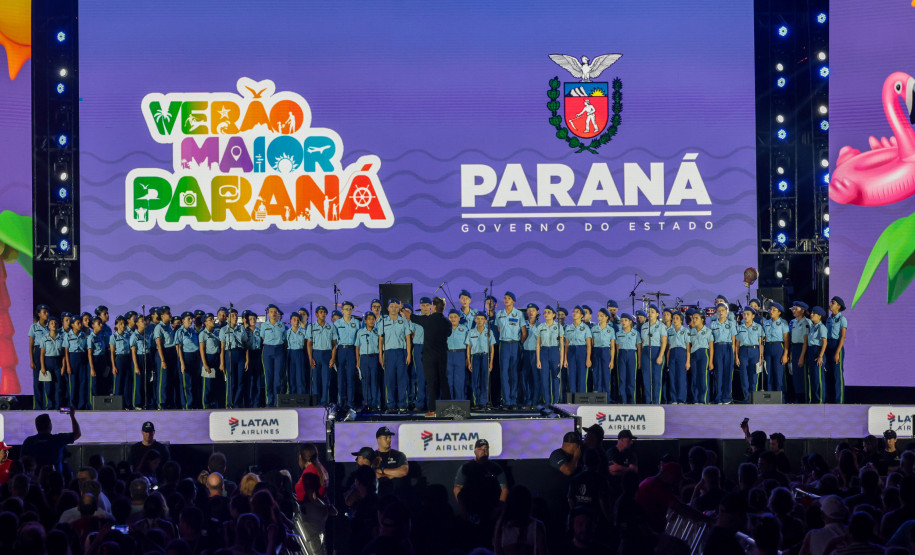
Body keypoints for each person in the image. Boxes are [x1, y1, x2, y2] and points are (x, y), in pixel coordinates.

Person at [411, 296, 451, 416]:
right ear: (443, 308)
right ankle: (448, 408)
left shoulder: (428, 320)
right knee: (443, 380)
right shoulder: (447, 322)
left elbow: (411, 317)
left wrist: (402, 309)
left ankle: (432, 409)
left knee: (432, 382)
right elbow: (448, 333)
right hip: (442, 355)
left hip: (429, 356)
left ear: (433, 307)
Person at [493, 485, 547, 555]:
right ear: (528, 503)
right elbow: (543, 552)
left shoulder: (502, 525)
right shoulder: (536, 525)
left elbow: (497, 551)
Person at [379, 299, 412, 413]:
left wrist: (408, 354)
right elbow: (380, 340)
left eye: (396, 306)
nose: (393, 308)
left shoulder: (403, 321)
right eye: (391, 306)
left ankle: (403, 404)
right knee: (390, 380)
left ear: (399, 308)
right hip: (388, 353)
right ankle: (391, 405)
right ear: (388, 308)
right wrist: (380, 355)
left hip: (401, 352)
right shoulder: (383, 322)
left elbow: (408, 338)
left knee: (402, 380)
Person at [495, 292, 525, 408]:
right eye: (505, 298)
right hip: (504, 345)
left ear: (513, 301)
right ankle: (506, 400)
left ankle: (514, 400)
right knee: (504, 373)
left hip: (515, 345)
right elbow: (499, 329)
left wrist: (518, 343)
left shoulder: (518, 314)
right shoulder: (500, 314)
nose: (506, 300)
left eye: (509, 298)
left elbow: (524, 332)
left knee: (514, 374)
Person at [454, 439, 508, 503]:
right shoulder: (465, 467)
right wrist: (463, 507)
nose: (483, 451)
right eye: (480, 449)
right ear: (475, 451)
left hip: (492, 507)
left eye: (486, 448)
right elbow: (457, 488)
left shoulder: (496, 468)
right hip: (471, 507)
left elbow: (504, 489)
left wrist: (500, 506)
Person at [298, 472, 337, 555]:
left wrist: (326, 506)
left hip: (319, 539)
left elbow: (334, 512)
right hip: (312, 540)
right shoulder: (308, 502)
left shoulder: (319, 501)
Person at [219, 308, 248, 409]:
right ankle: (229, 403)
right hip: (229, 354)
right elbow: (222, 347)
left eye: (236, 315)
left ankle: (236, 403)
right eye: (232, 316)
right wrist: (222, 363)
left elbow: (246, 345)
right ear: (227, 318)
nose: (235, 317)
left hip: (240, 355)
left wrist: (247, 360)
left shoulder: (241, 329)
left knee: (241, 381)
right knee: (231, 381)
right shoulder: (223, 330)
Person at [259, 305, 287, 408]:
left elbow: (284, 338)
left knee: (278, 378)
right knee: (269, 377)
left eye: (276, 311)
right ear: (268, 313)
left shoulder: (282, 325)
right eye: (272, 312)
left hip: (279, 350)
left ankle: (277, 401)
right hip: (268, 350)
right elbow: (262, 337)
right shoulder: (264, 325)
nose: (274, 313)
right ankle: (269, 402)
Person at [535, 306, 564, 404]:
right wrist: (538, 360)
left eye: (548, 312)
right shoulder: (540, 327)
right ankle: (547, 403)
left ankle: (555, 403)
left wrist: (561, 359)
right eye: (545, 313)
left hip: (555, 352)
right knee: (544, 379)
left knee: (556, 379)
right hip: (544, 353)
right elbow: (538, 344)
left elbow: (561, 345)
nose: (546, 314)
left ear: (554, 315)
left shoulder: (559, 327)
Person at [467, 312, 496, 409]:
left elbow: (492, 348)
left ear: (485, 320)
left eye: (481, 319)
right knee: (475, 380)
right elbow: (468, 347)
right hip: (475, 357)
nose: (479, 321)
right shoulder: (471, 332)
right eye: (478, 318)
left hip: (485, 357)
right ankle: (476, 402)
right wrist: (469, 361)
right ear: (475, 320)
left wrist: (491, 362)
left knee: (484, 380)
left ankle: (483, 402)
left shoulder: (489, 332)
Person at [709, 302, 736, 404]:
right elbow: (711, 340)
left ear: (726, 312)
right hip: (718, 348)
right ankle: (718, 397)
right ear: (716, 312)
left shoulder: (731, 324)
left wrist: (733, 353)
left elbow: (733, 339)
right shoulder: (712, 324)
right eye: (719, 311)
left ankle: (727, 397)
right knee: (718, 373)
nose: (721, 312)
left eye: (723, 310)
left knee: (728, 373)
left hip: (728, 347)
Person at [334, 301, 359, 408]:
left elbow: (358, 340)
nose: (348, 311)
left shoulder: (357, 323)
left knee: (350, 377)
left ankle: (350, 402)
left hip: (351, 351)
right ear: (342, 311)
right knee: (340, 378)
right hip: (341, 350)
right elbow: (334, 341)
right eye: (346, 309)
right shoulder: (337, 323)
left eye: (350, 309)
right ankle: (341, 401)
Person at [640, 304, 667, 404]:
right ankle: (648, 401)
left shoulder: (661, 326)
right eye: (649, 312)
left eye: (652, 312)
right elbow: (642, 341)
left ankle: (656, 402)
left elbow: (664, 342)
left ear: (657, 314)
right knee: (646, 378)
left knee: (656, 379)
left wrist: (660, 355)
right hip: (646, 351)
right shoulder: (644, 326)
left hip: (657, 351)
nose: (650, 314)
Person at [735, 307, 763, 403]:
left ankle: (753, 397)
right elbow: (737, 344)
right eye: (744, 314)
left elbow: (760, 343)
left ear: (753, 316)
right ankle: (746, 397)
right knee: (744, 376)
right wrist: (736, 357)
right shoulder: (739, 328)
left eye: (748, 314)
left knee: (754, 375)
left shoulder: (758, 327)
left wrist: (760, 357)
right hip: (743, 352)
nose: (745, 316)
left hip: (754, 351)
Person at [356, 311, 382, 412]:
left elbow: (380, 346)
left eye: (373, 319)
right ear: (365, 321)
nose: (371, 321)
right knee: (365, 382)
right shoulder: (360, 332)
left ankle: (375, 403)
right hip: (364, 358)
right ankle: (367, 403)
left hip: (374, 358)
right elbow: (357, 347)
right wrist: (358, 360)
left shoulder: (377, 332)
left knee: (374, 381)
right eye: (369, 319)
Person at [63, 315, 90, 411]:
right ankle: (72, 405)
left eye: (80, 323)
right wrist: (68, 365)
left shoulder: (83, 335)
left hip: (82, 357)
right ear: (72, 325)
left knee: (83, 383)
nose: (80, 325)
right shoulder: (68, 335)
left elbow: (87, 348)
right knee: (73, 384)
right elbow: (66, 351)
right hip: (72, 358)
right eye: (77, 323)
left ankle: (81, 405)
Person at [153, 306, 178, 409]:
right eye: (168, 313)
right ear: (162, 316)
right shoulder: (159, 327)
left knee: (171, 380)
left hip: (172, 353)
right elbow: (159, 345)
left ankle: (170, 402)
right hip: (163, 353)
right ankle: (161, 403)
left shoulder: (169, 327)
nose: (170, 315)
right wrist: (163, 360)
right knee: (163, 380)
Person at [564, 306, 593, 395]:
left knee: (582, 376)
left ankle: (581, 399)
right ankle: (573, 398)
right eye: (573, 311)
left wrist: (588, 359)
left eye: (577, 312)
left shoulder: (585, 328)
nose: (574, 313)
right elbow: (567, 345)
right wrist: (565, 359)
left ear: (581, 315)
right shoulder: (568, 327)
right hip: (571, 351)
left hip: (582, 351)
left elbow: (589, 345)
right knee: (572, 376)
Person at [763, 302, 790, 396]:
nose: (771, 311)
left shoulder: (783, 323)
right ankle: (770, 397)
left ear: (779, 312)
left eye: (774, 310)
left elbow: (786, 340)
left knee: (778, 374)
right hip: (768, 348)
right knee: (769, 373)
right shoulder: (766, 323)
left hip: (778, 347)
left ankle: (780, 397)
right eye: (770, 309)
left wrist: (785, 354)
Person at [825, 296, 848, 404]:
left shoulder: (842, 319)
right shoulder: (829, 319)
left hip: (836, 345)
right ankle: (830, 399)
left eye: (833, 303)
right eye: (831, 302)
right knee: (828, 374)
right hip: (828, 346)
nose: (830, 304)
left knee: (837, 375)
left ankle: (839, 401)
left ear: (838, 306)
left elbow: (843, 336)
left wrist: (837, 352)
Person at [373, 426, 409, 496]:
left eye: (390, 437)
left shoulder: (399, 455)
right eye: (385, 438)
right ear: (378, 440)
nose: (389, 440)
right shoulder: (373, 455)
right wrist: (394, 474)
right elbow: (374, 476)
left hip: (398, 496)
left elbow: (404, 471)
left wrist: (381, 470)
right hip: (378, 496)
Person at [39, 317, 65, 409]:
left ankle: (58, 406)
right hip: (48, 363)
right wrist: (42, 367)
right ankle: (49, 406)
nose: (54, 324)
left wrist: (63, 366)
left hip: (58, 363)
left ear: (58, 326)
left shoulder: (61, 337)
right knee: (48, 388)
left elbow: (63, 354)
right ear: (49, 326)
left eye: (55, 323)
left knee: (58, 387)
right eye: (52, 323)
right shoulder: (44, 338)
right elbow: (42, 354)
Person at [29, 304, 51, 409]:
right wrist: (32, 360)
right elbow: (31, 345)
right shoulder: (34, 327)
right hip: (37, 352)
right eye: (44, 312)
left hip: (48, 352)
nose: (47, 314)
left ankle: (49, 405)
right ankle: (38, 406)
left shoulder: (51, 326)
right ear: (39, 314)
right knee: (37, 382)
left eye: (47, 312)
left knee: (48, 380)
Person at [109, 315, 134, 409]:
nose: (123, 326)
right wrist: (113, 366)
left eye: (124, 323)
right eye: (121, 324)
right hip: (119, 359)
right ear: (116, 325)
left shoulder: (128, 335)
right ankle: (117, 405)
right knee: (118, 382)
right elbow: (112, 353)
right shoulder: (113, 337)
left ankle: (127, 404)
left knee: (128, 382)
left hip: (128, 358)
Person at [615, 314, 640, 404]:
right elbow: (617, 348)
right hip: (621, 355)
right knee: (622, 379)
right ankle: (623, 401)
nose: (623, 322)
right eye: (622, 320)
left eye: (625, 320)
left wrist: (639, 361)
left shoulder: (636, 333)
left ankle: (631, 401)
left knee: (631, 379)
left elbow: (639, 347)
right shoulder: (618, 334)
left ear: (630, 322)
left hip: (632, 355)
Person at [446, 309, 470, 402]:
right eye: (451, 317)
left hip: (460, 355)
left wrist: (468, 358)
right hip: (448, 354)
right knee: (449, 380)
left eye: (455, 317)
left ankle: (460, 402)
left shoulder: (464, 329)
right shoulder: (444, 328)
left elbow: (468, 345)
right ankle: (448, 402)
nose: (453, 319)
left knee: (459, 380)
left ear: (459, 318)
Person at [789, 301, 810, 404]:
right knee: (796, 375)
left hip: (803, 349)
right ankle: (797, 397)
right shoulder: (793, 322)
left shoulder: (806, 322)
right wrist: (792, 353)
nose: (793, 310)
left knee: (803, 375)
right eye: (793, 309)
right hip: (795, 348)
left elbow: (806, 341)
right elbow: (793, 339)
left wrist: (802, 356)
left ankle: (804, 398)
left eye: (796, 309)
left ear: (802, 310)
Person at [807, 306, 828, 404]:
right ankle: (813, 399)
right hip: (811, 350)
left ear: (819, 316)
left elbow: (824, 342)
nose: (811, 315)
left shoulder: (821, 327)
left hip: (818, 351)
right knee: (812, 377)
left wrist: (820, 356)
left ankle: (820, 400)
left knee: (818, 378)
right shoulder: (812, 326)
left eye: (814, 314)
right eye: (811, 313)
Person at [284, 312, 309, 398]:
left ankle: (301, 397)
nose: (296, 321)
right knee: (291, 375)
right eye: (294, 319)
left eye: (298, 320)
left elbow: (307, 342)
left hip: (299, 353)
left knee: (300, 375)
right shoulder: (287, 332)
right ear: (290, 321)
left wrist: (303, 326)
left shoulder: (303, 331)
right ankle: (292, 396)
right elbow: (285, 343)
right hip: (290, 353)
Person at [665, 311, 687, 404]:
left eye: (677, 318)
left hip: (682, 353)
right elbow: (669, 347)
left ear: (681, 320)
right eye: (673, 318)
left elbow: (688, 346)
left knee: (681, 377)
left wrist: (688, 360)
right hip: (672, 353)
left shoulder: (685, 331)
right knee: (672, 377)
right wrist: (667, 360)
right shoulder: (670, 331)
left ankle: (681, 399)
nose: (674, 320)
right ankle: (674, 399)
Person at [521, 303, 540, 408]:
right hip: (525, 353)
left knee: (536, 378)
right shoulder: (523, 325)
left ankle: (535, 400)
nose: (531, 312)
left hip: (536, 354)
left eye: (533, 310)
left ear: (537, 312)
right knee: (525, 377)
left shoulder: (541, 326)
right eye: (529, 310)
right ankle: (527, 399)